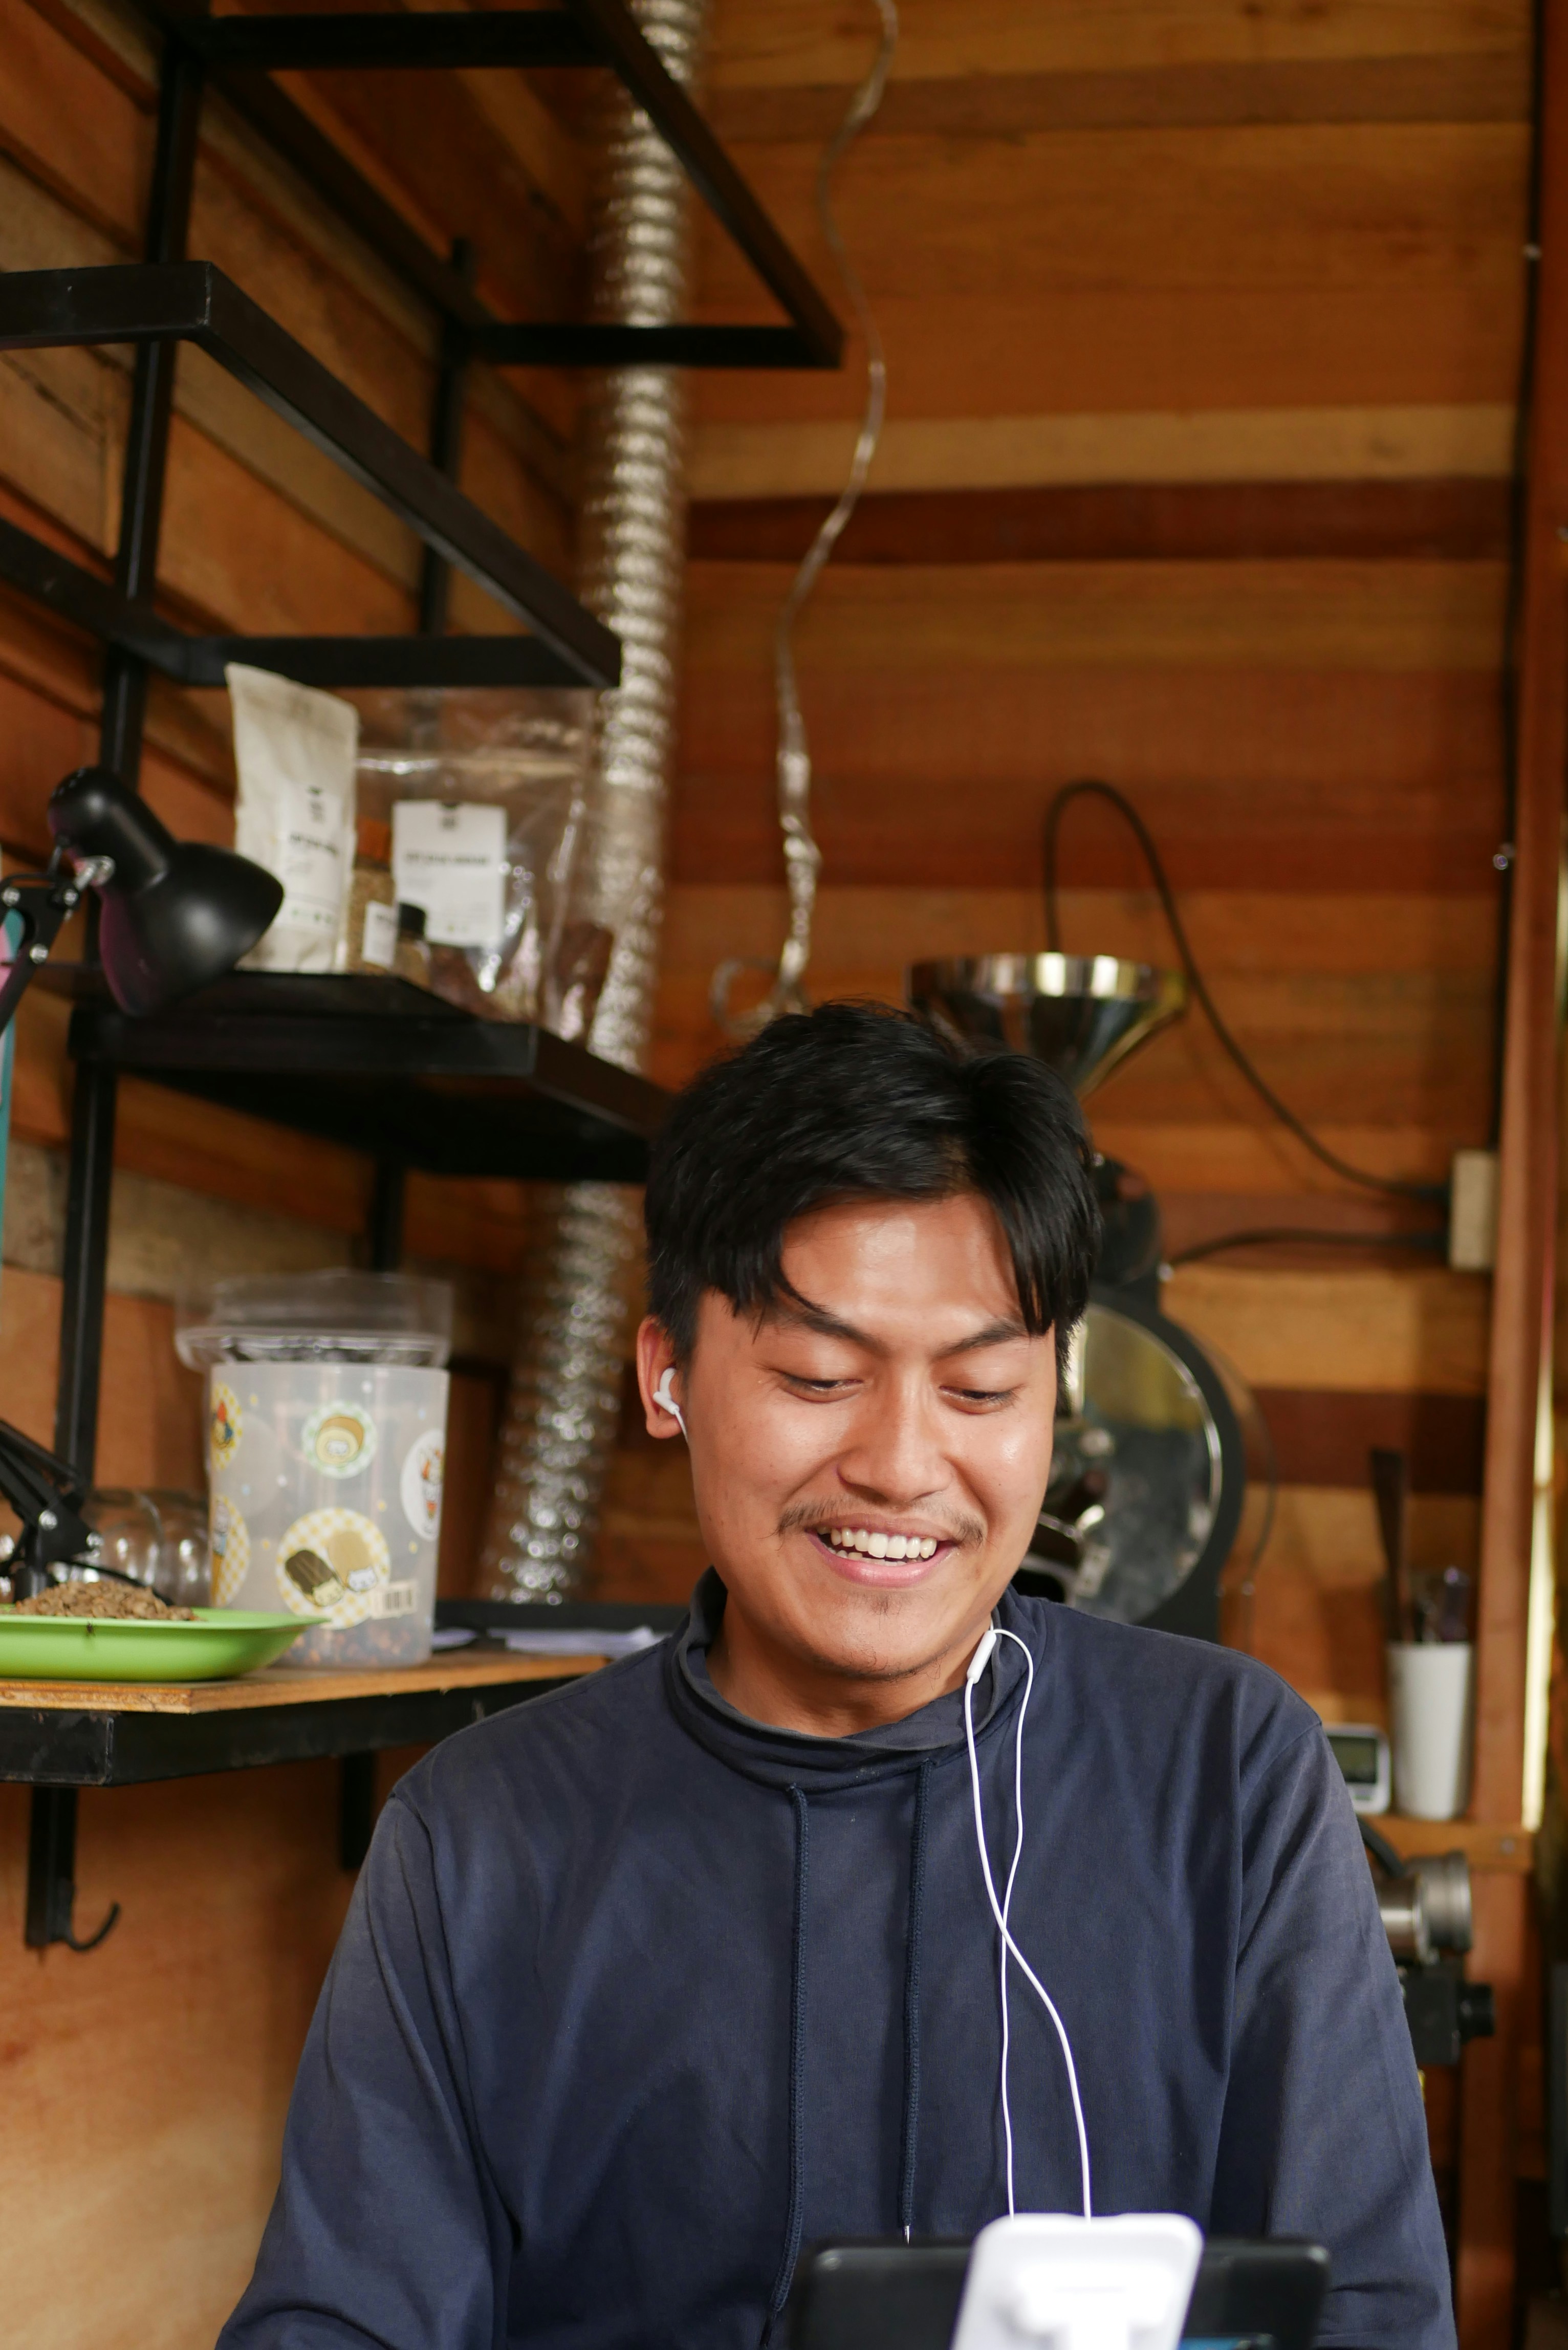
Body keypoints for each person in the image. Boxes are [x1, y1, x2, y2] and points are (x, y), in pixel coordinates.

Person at [220, 1003, 1452, 2350]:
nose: (902, 1468)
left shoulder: (1229, 1773)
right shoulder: (481, 1835)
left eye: (980, 1392)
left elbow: (1372, 2316)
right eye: (818, 1377)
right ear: (667, 1376)